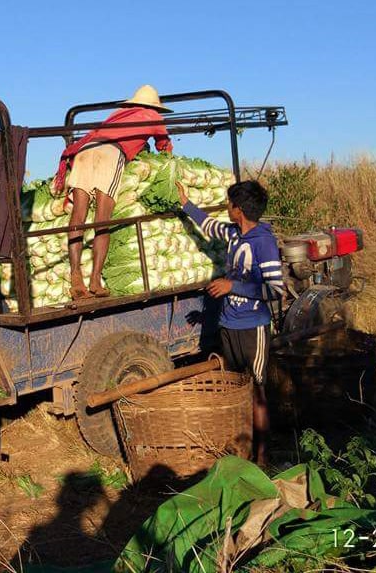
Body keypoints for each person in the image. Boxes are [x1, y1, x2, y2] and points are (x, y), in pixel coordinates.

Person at [176, 179, 285, 465]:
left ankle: (262, 457)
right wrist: (186, 204)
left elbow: (276, 290)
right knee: (237, 390)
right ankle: (241, 453)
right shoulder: (233, 233)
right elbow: (209, 225)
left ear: (239, 210)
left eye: (229, 204)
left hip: (253, 327)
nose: (226, 207)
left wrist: (231, 287)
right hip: (229, 325)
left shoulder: (264, 242)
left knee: (258, 391)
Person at [52, 85, 174, 300]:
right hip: (110, 154)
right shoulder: (154, 117)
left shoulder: (118, 114)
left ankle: (75, 276)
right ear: (155, 105)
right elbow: (165, 147)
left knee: (78, 214)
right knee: (102, 219)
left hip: (85, 150)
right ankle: (95, 280)